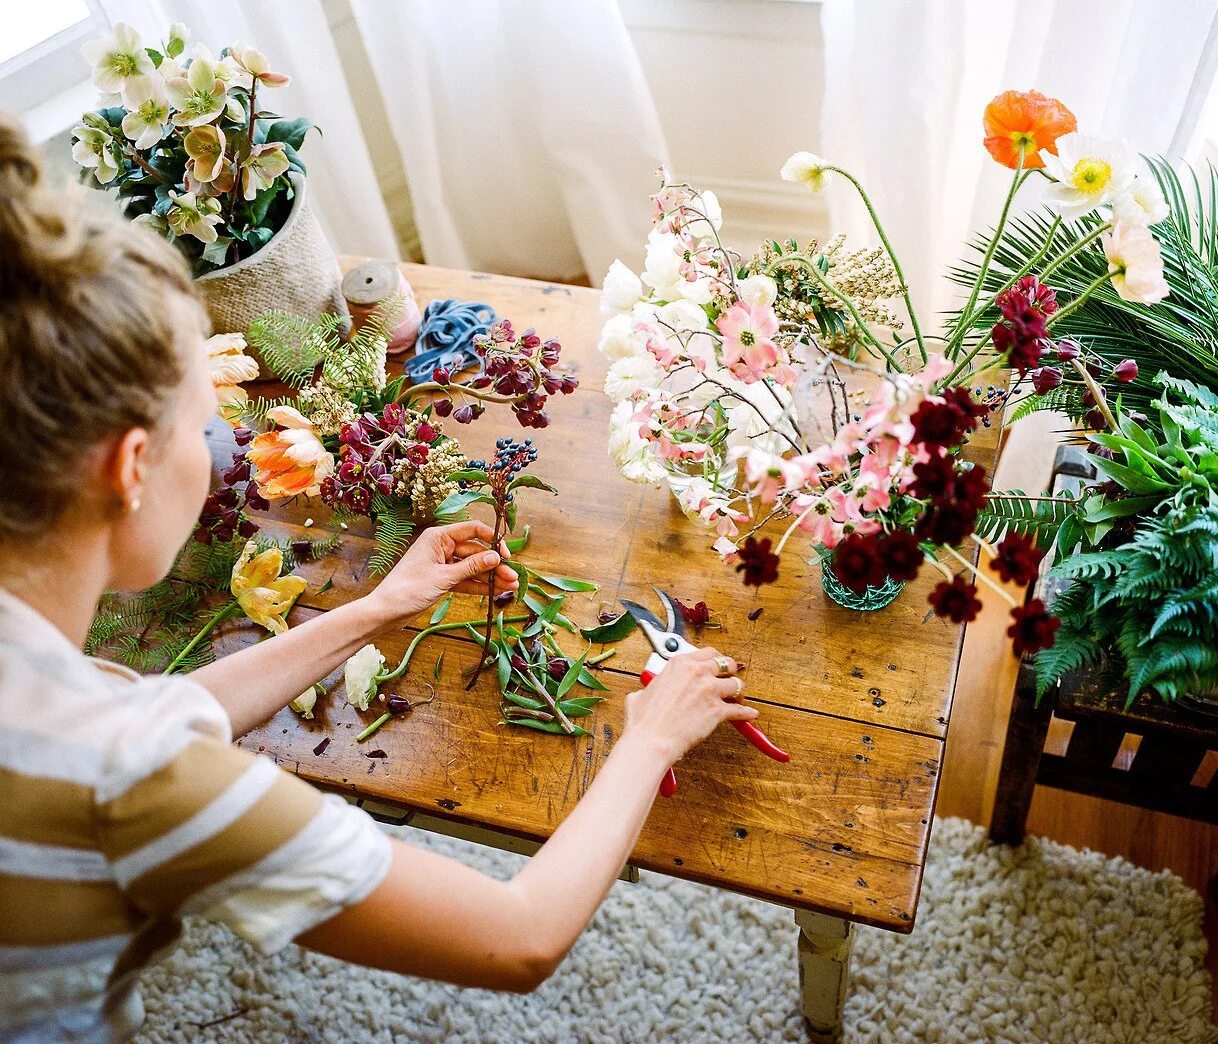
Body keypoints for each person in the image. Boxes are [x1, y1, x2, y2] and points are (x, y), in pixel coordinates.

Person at [0, 112, 756, 1042]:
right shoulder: (126, 778)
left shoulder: (55, 695)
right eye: (206, 423)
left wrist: (379, 607)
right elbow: (518, 940)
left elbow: (143, 715)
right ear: (128, 468)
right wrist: (650, 736)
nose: (221, 450)